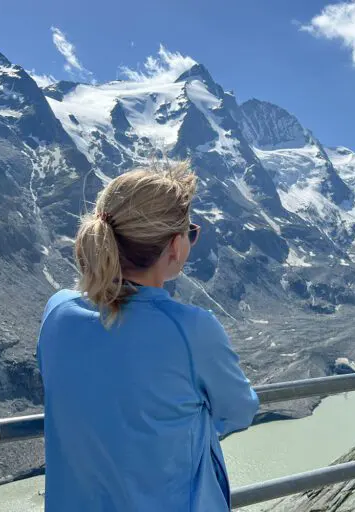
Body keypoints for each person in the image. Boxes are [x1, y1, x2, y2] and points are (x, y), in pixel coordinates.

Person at [36, 162, 259, 511]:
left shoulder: (58, 310)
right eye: (190, 232)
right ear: (174, 246)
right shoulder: (192, 329)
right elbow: (240, 410)